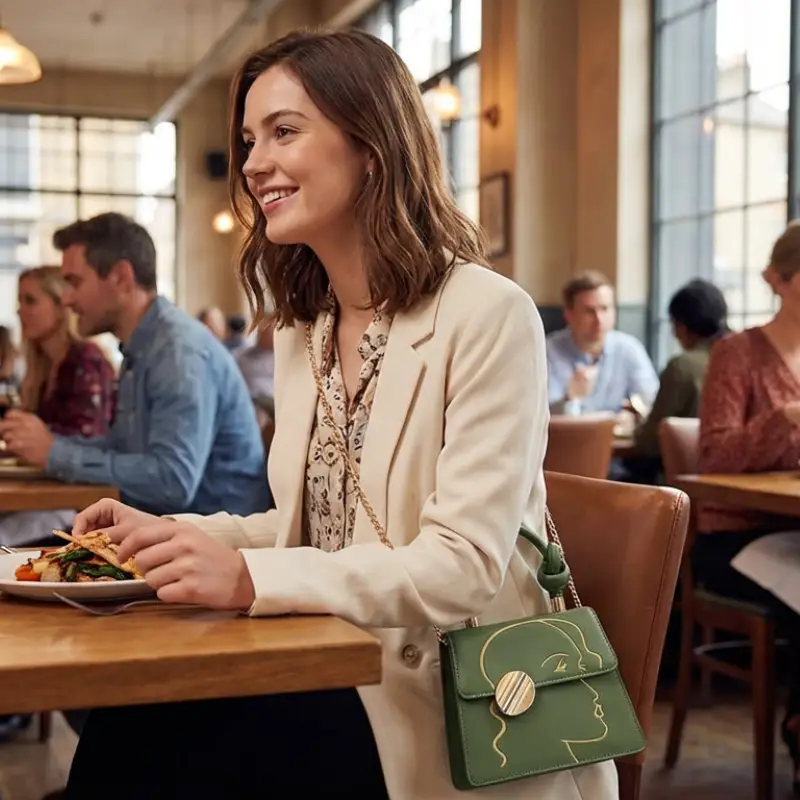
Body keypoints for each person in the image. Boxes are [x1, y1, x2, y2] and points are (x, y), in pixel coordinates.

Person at [62, 29, 618, 800]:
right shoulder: (306, 329)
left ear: (372, 145)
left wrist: (248, 575)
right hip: (336, 661)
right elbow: (311, 526)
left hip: (453, 703)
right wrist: (174, 536)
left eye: (285, 131)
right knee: (128, 712)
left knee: (144, 727)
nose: (253, 163)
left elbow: (460, 566)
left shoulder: (489, 314)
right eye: (251, 138)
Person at [0, 213, 270, 518]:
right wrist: (46, 445)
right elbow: (124, 451)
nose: (67, 300)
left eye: (74, 282)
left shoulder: (177, 351)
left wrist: (54, 453)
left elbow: (172, 482)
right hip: (166, 531)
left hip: (215, 542)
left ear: (121, 277)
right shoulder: (141, 348)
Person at [696, 221, 800, 792]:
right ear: (778, 280)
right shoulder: (738, 354)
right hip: (733, 536)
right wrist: (780, 419)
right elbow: (713, 456)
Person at [0, 267, 116, 742]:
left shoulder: (85, 359)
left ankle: (17, 690)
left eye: (30, 300)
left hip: (83, 509)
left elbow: (88, 448)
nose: (19, 310)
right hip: (55, 499)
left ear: (57, 306)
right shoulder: (44, 366)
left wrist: (39, 444)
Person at [623, 279, 728, 482]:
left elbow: (649, 441)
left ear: (680, 326)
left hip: (689, 483)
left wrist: (638, 426)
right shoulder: (745, 357)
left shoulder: (682, 366)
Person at [546, 271, 658, 414]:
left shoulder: (629, 349)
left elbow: (650, 402)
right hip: (567, 435)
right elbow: (540, 418)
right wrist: (569, 398)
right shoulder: (548, 352)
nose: (599, 319)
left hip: (618, 434)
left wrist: (634, 413)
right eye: (589, 311)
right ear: (569, 315)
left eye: (605, 309)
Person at [235, 311, 275, 399]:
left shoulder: (282, 361)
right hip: (248, 400)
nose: (265, 329)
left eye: (270, 327)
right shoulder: (240, 356)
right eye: (263, 326)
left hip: (271, 404)